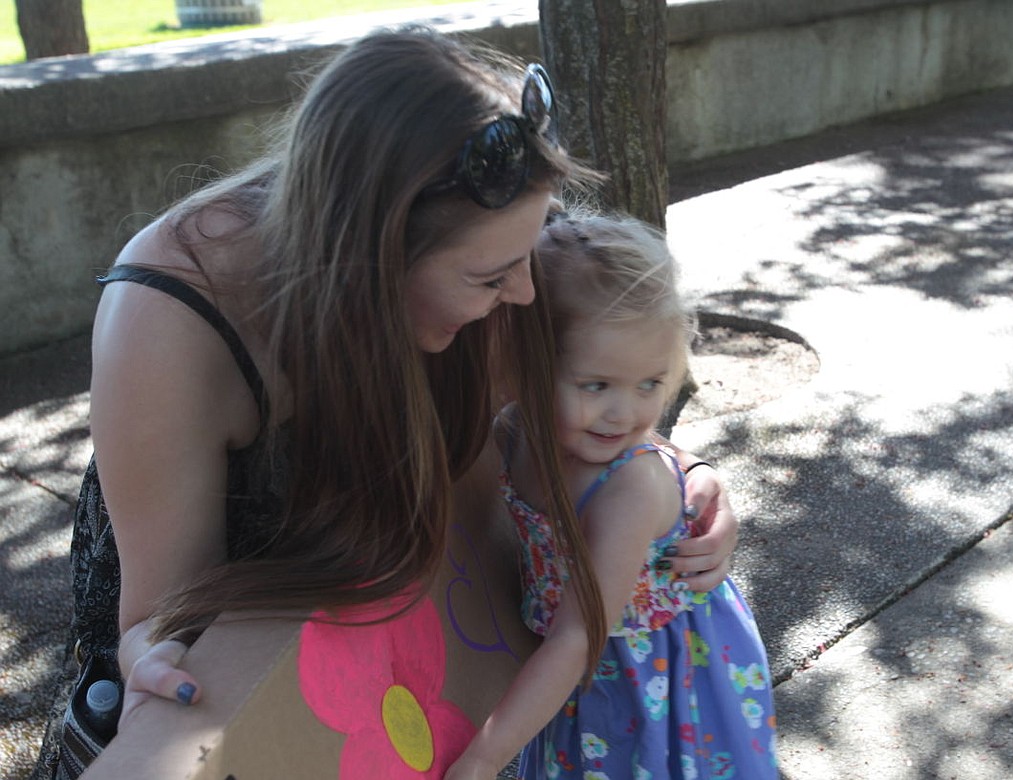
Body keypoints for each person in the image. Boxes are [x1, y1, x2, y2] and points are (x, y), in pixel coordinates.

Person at [32, 26, 740, 780]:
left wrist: (674, 470)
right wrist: (154, 657)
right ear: (375, 254)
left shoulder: (492, 227)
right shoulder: (170, 321)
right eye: (491, 279)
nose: (524, 297)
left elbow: (609, 364)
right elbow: (157, 620)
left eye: (526, 263)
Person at [445, 213, 779, 780]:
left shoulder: (628, 490)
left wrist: (483, 757)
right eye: (595, 385)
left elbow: (579, 633)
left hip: (660, 679)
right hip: (580, 676)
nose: (625, 413)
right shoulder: (514, 431)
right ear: (528, 360)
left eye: (649, 383)